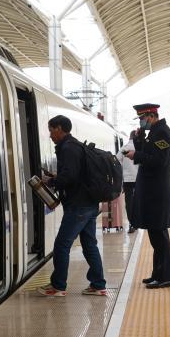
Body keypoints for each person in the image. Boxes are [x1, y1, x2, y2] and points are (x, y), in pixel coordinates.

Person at [37, 115, 106, 297]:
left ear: (59, 129)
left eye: (51, 130)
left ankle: (58, 286)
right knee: (89, 244)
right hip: (89, 204)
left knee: (61, 245)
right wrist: (57, 176)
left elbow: (70, 177)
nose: (50, 135)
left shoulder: (68, 148)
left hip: (78, 206)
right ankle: (98, 285)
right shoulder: (76, 146)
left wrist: (50, 181)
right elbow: (75, 173)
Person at [126, 103, 170, 289]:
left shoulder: (162, 133)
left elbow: (159, 160)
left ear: (151, 116)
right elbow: (149, 153)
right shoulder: (154, 133)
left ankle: (165, 277)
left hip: (157, 192)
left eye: (142, 118)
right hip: (152, 191)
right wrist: (139, 140)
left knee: (159, 236)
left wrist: (136, 156)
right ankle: (158, 273)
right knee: (155, 236)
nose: (141, 122)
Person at [116, 131, 139, 233]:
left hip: (128, 180)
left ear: (129, 137)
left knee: (129, 202)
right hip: (139, 179)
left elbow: (117, 160)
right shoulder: (139, 147)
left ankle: (132, 224)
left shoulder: (124, 148)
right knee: (138, 201)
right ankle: (138, 221)